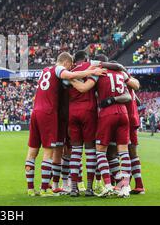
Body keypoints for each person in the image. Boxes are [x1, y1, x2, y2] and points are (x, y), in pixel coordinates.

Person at [24, 52, 106, 197]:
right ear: (67, 63)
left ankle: (30, 188)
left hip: (36, 111)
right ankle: (45, 189)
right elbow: (67, 75)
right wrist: (92, 71)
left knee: (32, 152)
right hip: (48, 113)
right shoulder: (58, 69)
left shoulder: (45, 70)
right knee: (49, 152)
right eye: (70, 65)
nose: (71, 68)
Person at [70, 54, 140, 198]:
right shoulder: (120, 73)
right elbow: (132, 91)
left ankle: (108, 185)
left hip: (107, 114)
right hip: (124, 113)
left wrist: (71, 79)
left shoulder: (99, 73)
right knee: (123, 152)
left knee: (100, 151)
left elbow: (85, 88)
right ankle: (124, 187)